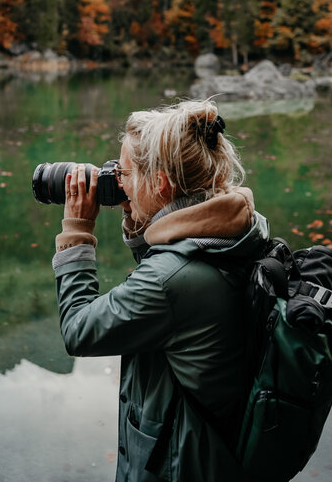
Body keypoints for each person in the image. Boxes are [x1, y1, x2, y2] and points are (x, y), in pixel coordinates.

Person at [52, 99, 269, 482]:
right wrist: (137, 209)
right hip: (213, 455)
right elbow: (170, 249)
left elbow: (79, 330)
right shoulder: (231, 230)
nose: (117, 181)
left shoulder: (172, 281)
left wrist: (77, 232)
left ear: (161, 183)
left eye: (125, 173)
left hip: (177, 468)